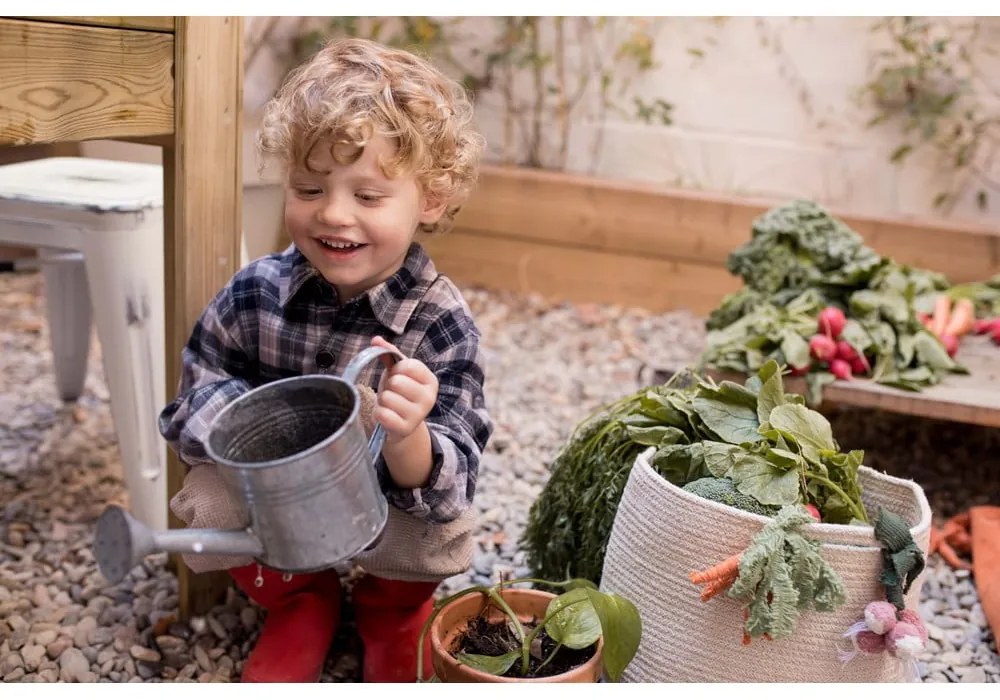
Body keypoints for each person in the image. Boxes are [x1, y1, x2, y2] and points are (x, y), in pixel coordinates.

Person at [158, 37, 493, 683]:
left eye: (368, 197)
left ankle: (389, 612)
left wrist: (409, 436)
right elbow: (188, 402)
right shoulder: (257, 292)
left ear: (430, 197)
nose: (333, 213)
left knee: (438, 538)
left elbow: (455, 485)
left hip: (385, 502)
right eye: (309, 186)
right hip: (280, 500)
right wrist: (260, 433)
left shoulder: (440, 324)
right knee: (206, 499)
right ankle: (297, 600)